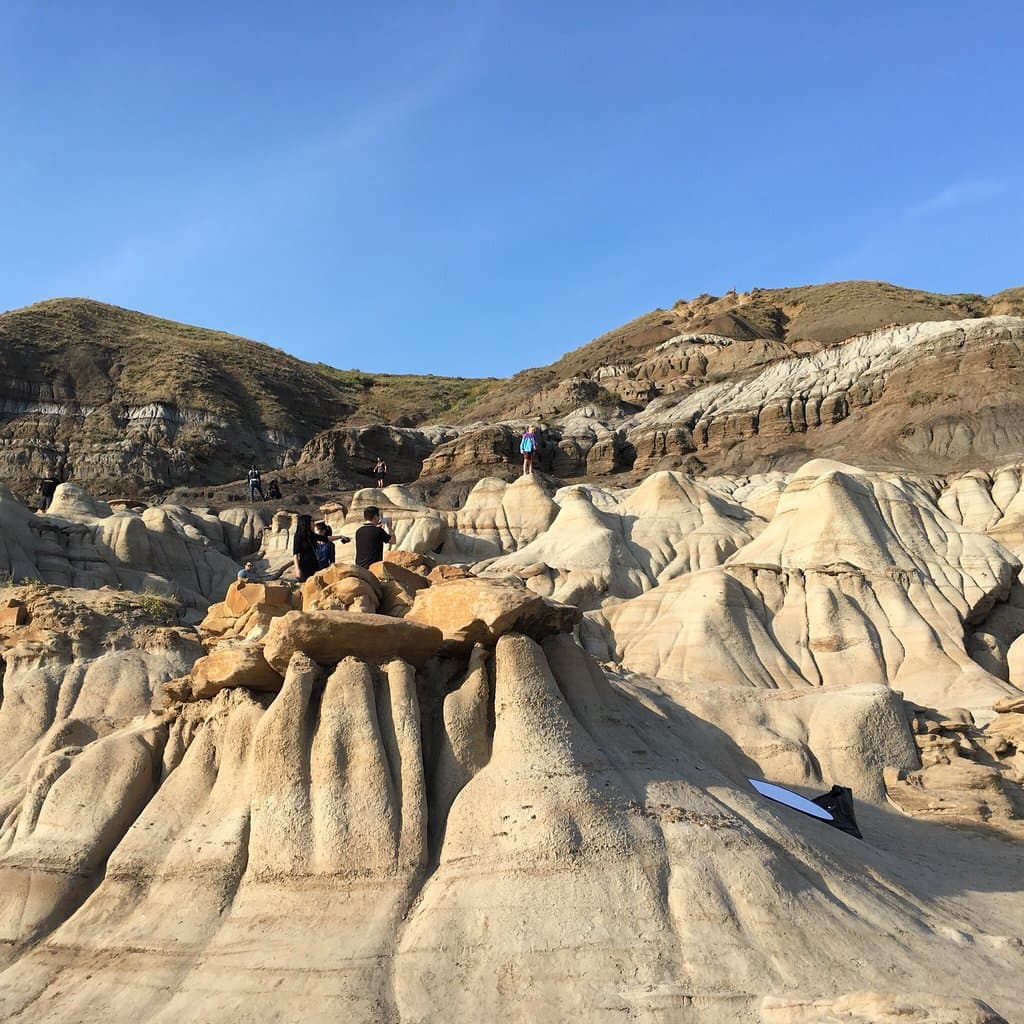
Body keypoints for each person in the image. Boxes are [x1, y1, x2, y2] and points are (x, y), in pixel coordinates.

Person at [292, 514, 319, 581]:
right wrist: (297, 569)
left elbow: (325, 538)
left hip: (315, 564)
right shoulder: (298, 536)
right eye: (312, 521)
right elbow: (295, 555)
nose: (313, 523)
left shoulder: (311, 535)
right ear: (306, 523)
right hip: (305, 565)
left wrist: (340, 537)